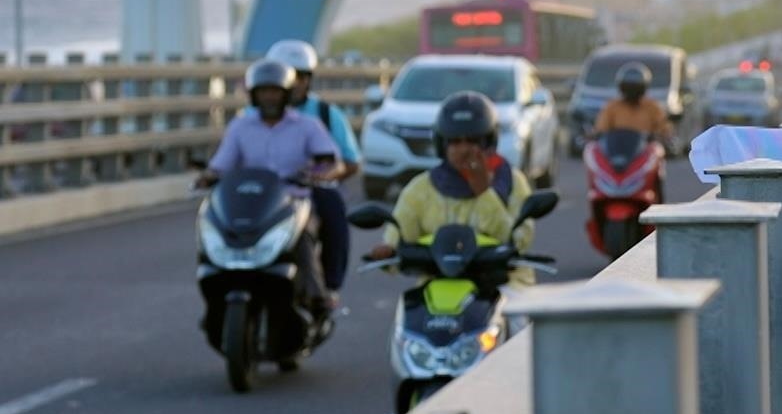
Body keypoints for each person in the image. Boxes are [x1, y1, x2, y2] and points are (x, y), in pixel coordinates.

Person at [198, 59, 342, 310]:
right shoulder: (240, 126)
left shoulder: (307, 125)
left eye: (275, 91)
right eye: (263, 91)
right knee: (217, 229)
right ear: (254, 95)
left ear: (287, 94)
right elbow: (221, 165)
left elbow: (330, 162)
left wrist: (317, 174)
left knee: (303, 236)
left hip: (293, 201)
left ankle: (317, 294)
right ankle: (216, 296)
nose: (269, 98)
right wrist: (207, 176)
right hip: (251, 203)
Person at [367, 91, 535, 283]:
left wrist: (484, 193)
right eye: (455, 141)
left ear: (489, 142)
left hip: (503, 284)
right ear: (442, 144)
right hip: (439, 286)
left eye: (473, 140)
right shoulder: (421, 189)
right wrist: (387, 252)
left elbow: (520, 243)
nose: (464, 149)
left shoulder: (512, 181)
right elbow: (397, 243)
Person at [264, 39, 362, 302]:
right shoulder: (251, 115)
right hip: (265, 190)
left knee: (333, 210)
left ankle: (329, 286)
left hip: (309, 190)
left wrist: (322, 176)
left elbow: (349, 161)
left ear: (308, 80)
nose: (293, 83)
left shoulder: (324, 114)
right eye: (286, 76)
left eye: (300, 76)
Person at [593, 62, 674, 144]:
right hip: (616, 149)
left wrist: (663, 137)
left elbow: (664, 131)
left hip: (645, 150)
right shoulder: (612, 107)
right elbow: (601, 130)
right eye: (629, 88)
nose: (632, 92)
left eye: (636, 88)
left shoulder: (652, 107)